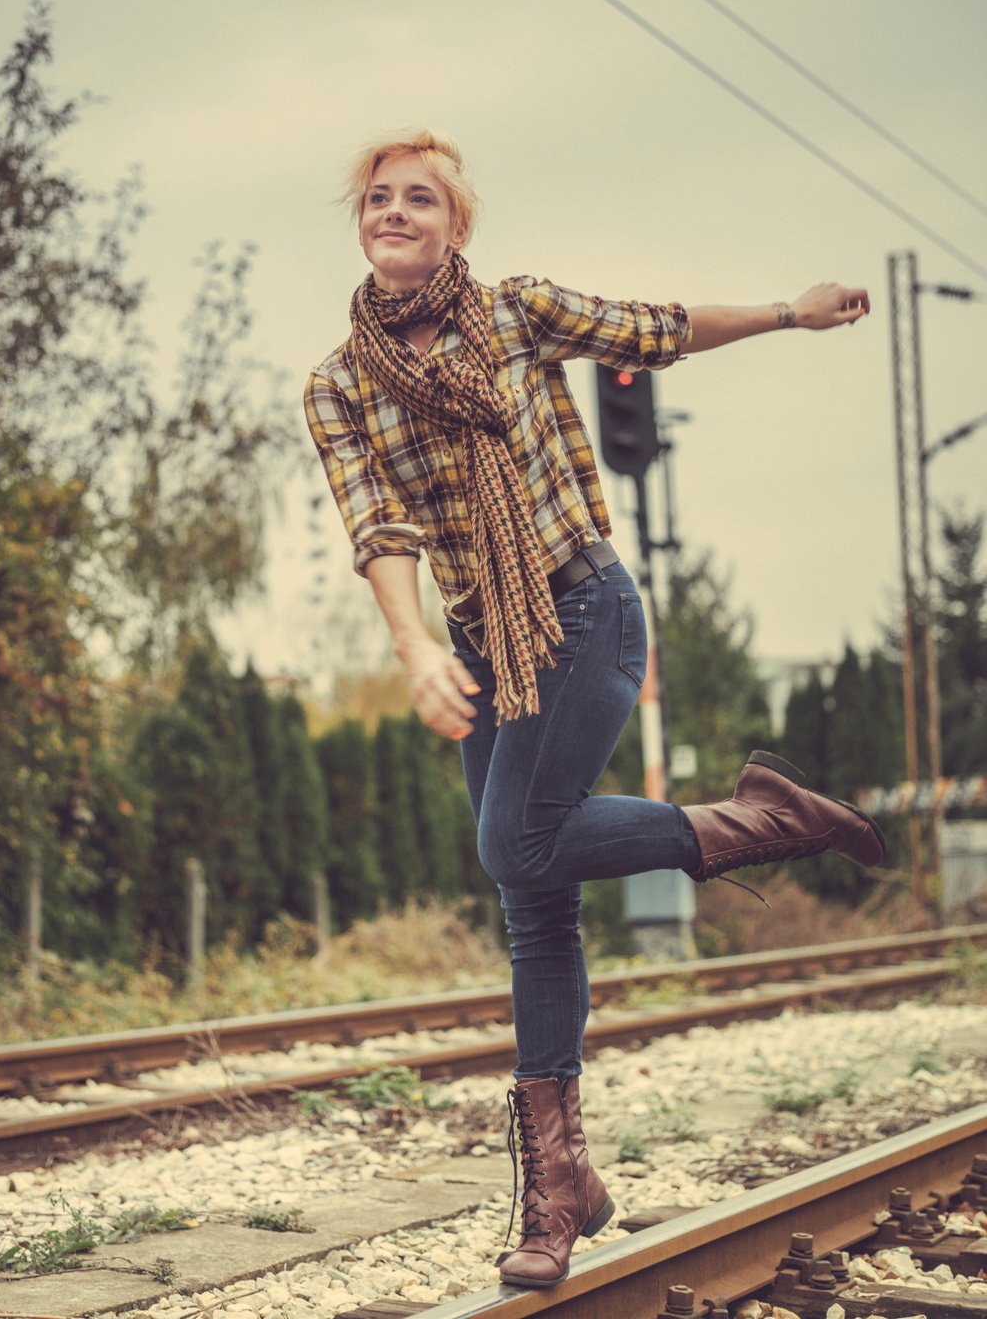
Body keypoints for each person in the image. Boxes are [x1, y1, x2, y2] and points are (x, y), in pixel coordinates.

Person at [304, 128, 886, 1289]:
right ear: (359, 220)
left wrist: (788, 310)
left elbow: (654, 330)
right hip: (480, 638)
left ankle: (761, 823)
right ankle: (559, 1178)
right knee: (534, 895)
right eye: (379, 197)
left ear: (455, 225)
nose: (397, 212)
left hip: (584, 613)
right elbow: (381, 529)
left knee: (515, 839)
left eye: (421, 198)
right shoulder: (337, 383)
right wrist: (416, 646)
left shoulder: (516, 313)